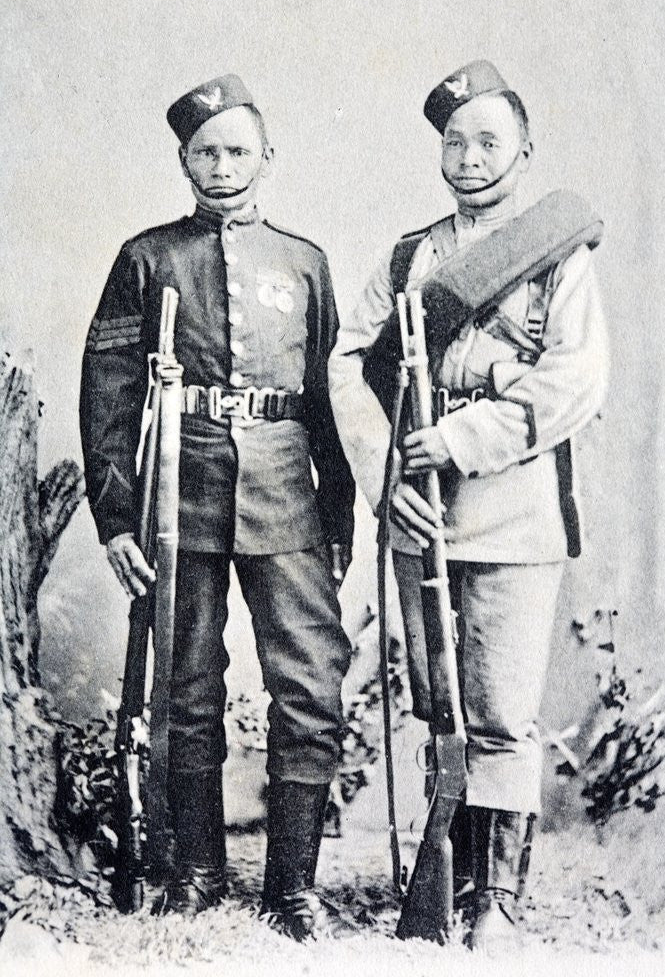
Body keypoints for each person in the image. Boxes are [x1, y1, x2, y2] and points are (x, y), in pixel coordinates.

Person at [328, 59, 608, 951]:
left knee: (502, 716)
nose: (470, 158)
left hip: (516, 512)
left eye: (490, 141)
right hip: (419, 512)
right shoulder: (410, 257)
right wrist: (388, 478)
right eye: (455, 142)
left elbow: (575, 381)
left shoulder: (554, 254)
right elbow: (346, 366)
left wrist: (458, 438)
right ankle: (444, 881)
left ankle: (498, 900)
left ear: (525, 152)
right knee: (440, 711)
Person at [80, 73, 355, 937]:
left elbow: (328, 400)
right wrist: (117, 518)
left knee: (308, 689)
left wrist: (339, 519)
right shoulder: (147, 258)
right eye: (207, 152)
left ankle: (291, 888)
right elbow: (110, 393)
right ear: (182, 161)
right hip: (179, 496)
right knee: (186, 690)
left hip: (286, 499)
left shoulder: (304, 262)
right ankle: (194, 873)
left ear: (267, 157)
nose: (223, 166)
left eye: (239, 150)